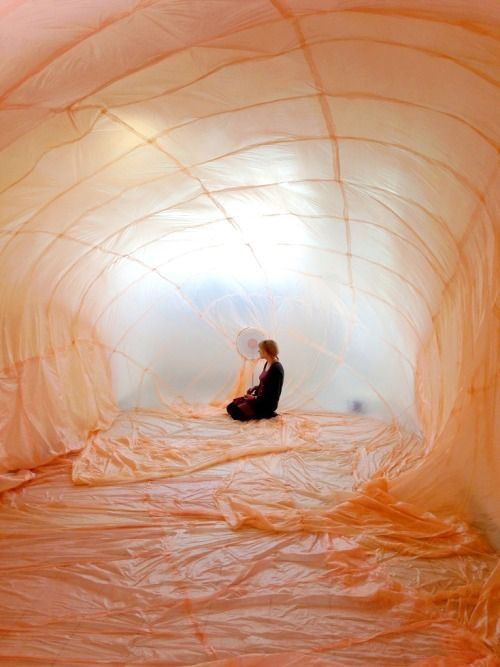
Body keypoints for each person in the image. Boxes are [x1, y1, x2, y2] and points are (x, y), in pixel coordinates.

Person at [227, 339, 284, 421]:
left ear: (266, 351)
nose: (258, 351)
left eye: (260, 349)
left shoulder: (276, 369)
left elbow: (272, 395)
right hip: (259, 399)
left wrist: (254, 398)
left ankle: (267, 413)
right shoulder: (267, 363)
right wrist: (255, 388)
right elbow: (265, 384)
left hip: (266, 404)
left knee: (235, 412)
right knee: (230, 407)